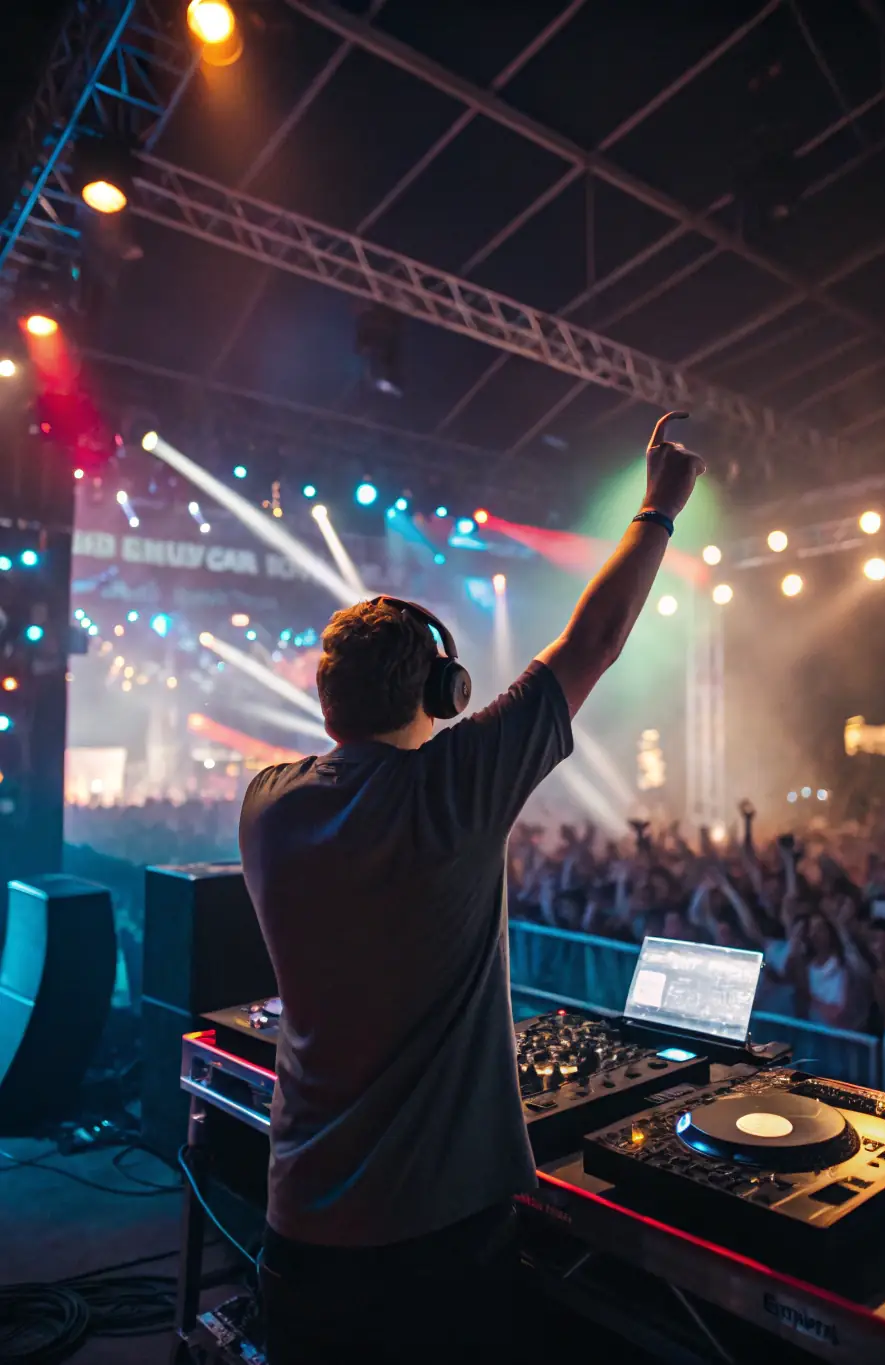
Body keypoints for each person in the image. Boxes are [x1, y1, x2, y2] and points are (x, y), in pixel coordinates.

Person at [239, 412, 704, 1364]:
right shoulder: (455, 787)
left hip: (300, 1224)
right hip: (436, 1236)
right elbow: (596, 641)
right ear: (447, 693)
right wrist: (657, 508)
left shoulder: (266, 804)